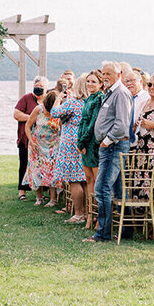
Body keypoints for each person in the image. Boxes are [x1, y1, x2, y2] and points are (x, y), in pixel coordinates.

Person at [85, 61, 133, 243]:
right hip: (110, 147)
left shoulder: (120, 93)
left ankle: (103, 233)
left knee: (102, 187)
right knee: (120, 191)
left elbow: (121, 124)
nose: (105, 76)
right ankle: (126, 231)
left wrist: (106, 141)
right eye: (103, 73)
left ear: (118, 75)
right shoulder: (110, 92)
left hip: (113, 146)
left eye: (109, 74)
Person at [50, 78, 89, 223]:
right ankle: (87, 213)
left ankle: (78, 213)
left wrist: (58, 99)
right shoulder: (88, 103)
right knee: (84, 180)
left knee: (74, 180)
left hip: (70, 143)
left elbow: (54, 112)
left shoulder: (74, 103)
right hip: (83, 141)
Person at [75, 70, 105, 229]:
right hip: (85, 142)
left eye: (94, 82)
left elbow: (94, 122)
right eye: (88, 81)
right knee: (88, 180)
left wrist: (83, 142)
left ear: (100, 84)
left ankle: (99, 217)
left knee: (97, 181)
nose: (90, 84)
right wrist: (79, 140)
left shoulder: (99, 99)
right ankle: (89, 215)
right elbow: (82, 122)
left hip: (93, 143)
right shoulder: (88, 99)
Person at [12, 76, 46, 201]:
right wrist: (32, 118)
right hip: (25, 139)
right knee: (24, 163)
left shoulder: (47, 100)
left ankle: (41, 192)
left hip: (43, 141)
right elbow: (16, 114)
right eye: (36, 86)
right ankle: (22, 191)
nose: (39, 88)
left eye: (41, 87)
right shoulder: (26, 98)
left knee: (42, 166)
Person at [26, 90, 61, 207]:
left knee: (51, 171)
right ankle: (39, 198)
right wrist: (31, 141)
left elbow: (61, 130)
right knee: (37, 170)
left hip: (53, 146)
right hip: (37, 145)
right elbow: (28, 125)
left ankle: (53, 199)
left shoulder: (58, 112)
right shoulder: (38, 109)